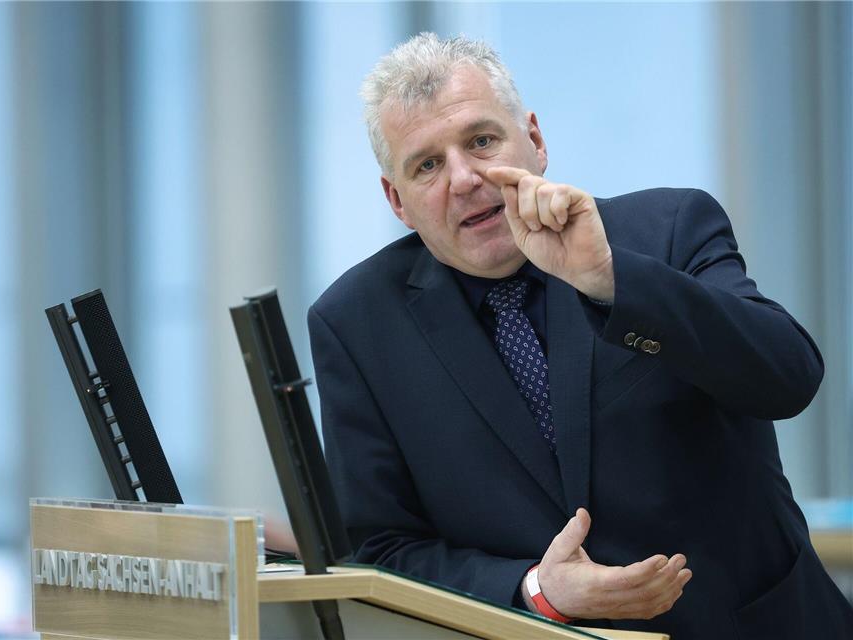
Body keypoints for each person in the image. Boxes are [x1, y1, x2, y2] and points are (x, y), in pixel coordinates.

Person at [307, 33, 853, 638]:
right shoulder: (356, 323)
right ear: (397, 200)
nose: (463, 179)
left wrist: (613, 282)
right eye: (427, 165)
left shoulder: (667, 230)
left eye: (481, 140)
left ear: (535, 141)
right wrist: (536, 590)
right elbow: (381, 550)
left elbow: (788, 378)